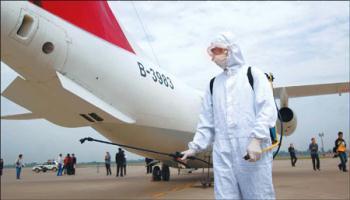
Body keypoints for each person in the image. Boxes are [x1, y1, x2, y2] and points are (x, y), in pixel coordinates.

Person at [181, 32, 277, 199]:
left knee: (258, 195)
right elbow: (206, 122)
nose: (213, 57)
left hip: (251, 149)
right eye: (211, 53)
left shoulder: (253, 75)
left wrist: (256, 139)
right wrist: (194, 147)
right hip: (223, 152)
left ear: (230, 50)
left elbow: (267, 109)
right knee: (225, 196)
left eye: (216, 51)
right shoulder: (213, 84)